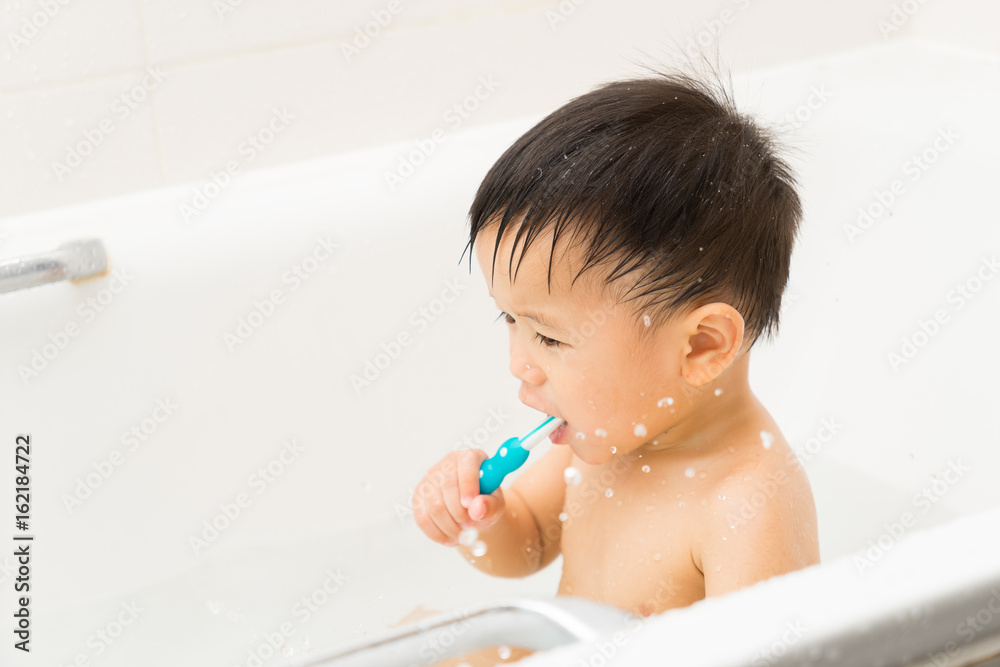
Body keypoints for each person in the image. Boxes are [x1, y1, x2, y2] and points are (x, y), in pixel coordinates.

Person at [411, 66, 820, 638]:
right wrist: (484, 521)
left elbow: (776, 653)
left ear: (701, 346)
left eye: (548, 336)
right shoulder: (601, 439)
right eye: (511, 321)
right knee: (422, 637)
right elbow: (526, 546)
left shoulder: (746, 502)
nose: (519, 363)